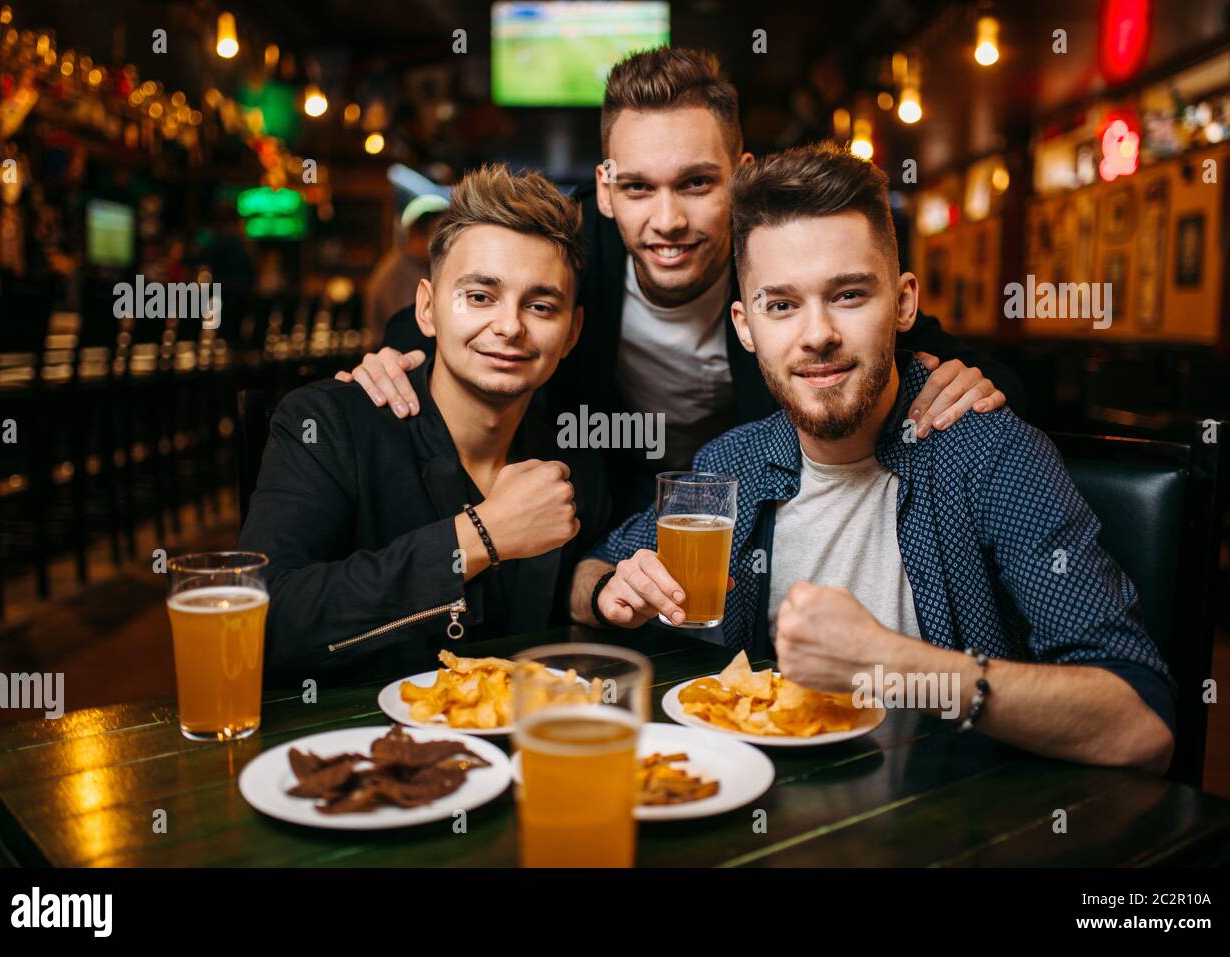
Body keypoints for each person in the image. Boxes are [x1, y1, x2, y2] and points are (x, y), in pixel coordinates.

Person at [577, 142, 1175, 772]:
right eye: (781, 305)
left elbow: (1142, 724)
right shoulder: (735, 462)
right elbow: (593, 574)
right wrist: (611, 589)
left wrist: (897, 665)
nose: (817, 335)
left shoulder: (990, 455)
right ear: (745, 325)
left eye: (849, 295)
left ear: (904, 303)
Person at [337, 48, 1021, 523]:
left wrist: (979, 379)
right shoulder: (568, 250)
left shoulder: (780, 255)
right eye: (638, 187)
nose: (667, 221)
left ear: (742, 177)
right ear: (605, 189)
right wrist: (389, 358)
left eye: (696, 183)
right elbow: (455, 313)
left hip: (764, 503)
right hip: (605, 508)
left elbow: (923, 345)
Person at [238, 166, 607, 680]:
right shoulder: (326, 424)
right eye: (479, 297)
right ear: (427, 310)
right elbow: (258, 621)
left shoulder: (573, 462)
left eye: (541, 305)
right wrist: (477, 538)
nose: (508, 326)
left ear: (571, 333)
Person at [362, 193, 448, 342]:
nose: (444, 245)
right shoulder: (395, 272)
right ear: (418, 236)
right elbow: (407, 327)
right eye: (438, 236)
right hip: (395, 357)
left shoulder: (417, 267)